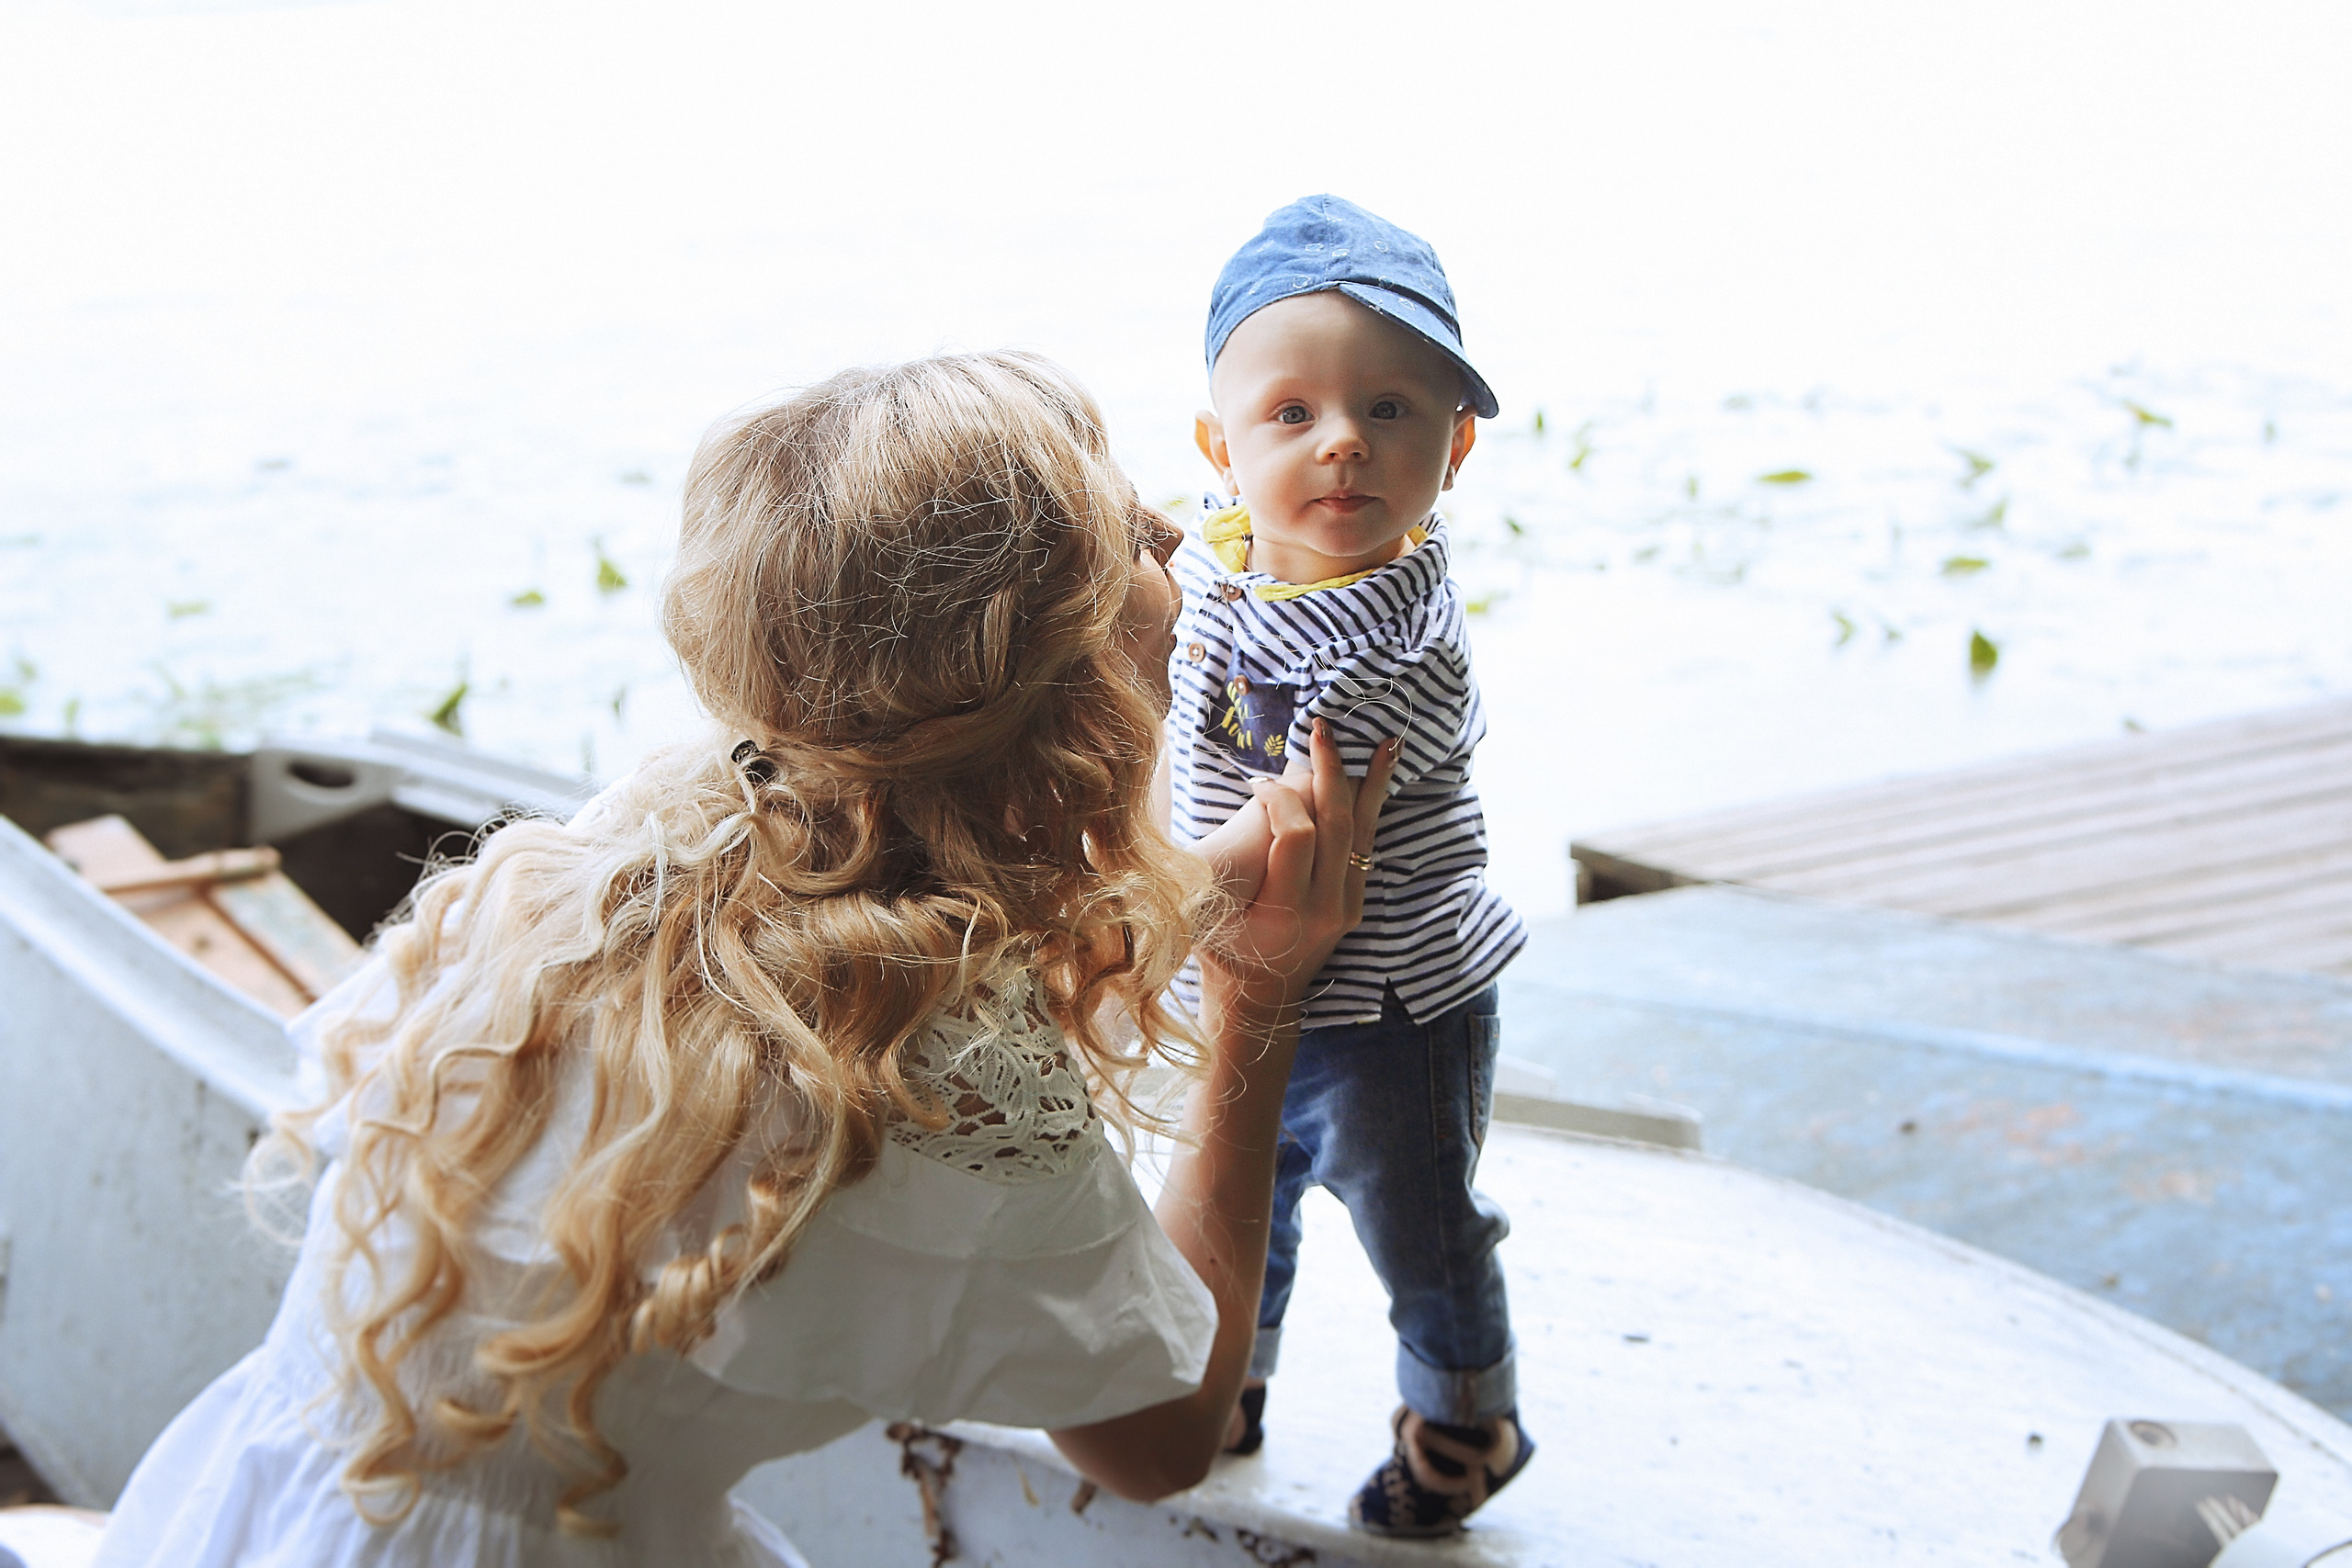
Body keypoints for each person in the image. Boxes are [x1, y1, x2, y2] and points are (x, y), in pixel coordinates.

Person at [93, 351, 1396, 1567]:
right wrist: (1257, 993)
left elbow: (918, 929)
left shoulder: (639, 836)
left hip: (274, 1507)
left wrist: (1168, 902)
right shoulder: (963, 1085)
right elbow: (1159, 1436)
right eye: (1125, 532)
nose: (1175, 530)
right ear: (1068, 727)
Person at [1164, 195, 1533, 1538]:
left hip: (1390, 1004)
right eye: (1291, 415)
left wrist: (1130, 918)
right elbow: (1178, 579)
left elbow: (1283, 825)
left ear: (1458, 444)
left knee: (1417, 1219)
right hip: (1264, 969)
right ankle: (1228, 1377)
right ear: (1220, 448)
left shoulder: (1373, 637)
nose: (1342, 444)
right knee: (1242, 1180)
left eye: (1392, 411)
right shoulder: (1237, 555)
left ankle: (1466, 1413)